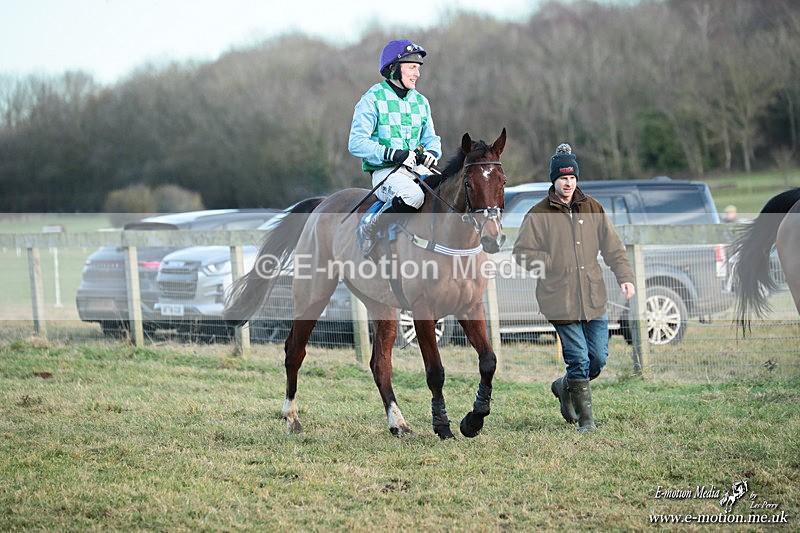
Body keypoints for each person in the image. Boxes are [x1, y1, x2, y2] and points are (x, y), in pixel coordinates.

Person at [512, 143, 636, 432]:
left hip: (593, 296)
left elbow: (613, 247)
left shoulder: (593, 208)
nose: (568, 183)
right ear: (554, 180)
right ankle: (586, 420)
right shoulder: (538, 213)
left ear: (576, 179)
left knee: (598, 358)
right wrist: (550, 262)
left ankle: (564, 385)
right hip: (559, 298)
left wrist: (624, 277)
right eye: (562, 178)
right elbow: (522, 253)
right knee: (578, 358)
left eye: (572, 178)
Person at [348, 39, 442, 256]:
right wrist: (391, 153)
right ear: (393, 69)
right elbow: (356, 143)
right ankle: (369, 226)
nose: (417, 73)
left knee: (444, 191)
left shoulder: (421, 101)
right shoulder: (372, 98)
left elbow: (432, 139)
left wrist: (430, 153)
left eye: (418, 68)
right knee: (414, 196)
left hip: (416, 170)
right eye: (411, 67)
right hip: (385, 173)